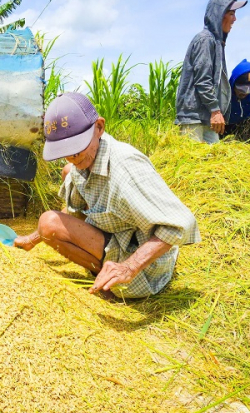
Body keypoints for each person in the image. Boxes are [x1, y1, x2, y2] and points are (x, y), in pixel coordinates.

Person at [14, 92, 200, 299]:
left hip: (146, 266)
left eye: (76, 147)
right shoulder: (80, 164)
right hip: (114, 236)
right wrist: (33, 238)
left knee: (48, 221)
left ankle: (111, 282)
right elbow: (76, 212)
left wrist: (129, 267)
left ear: (99, 128)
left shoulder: (127, 169)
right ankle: (101, 268)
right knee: (68, 173)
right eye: (64, 150)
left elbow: (181, 223)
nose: (72, 156)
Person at [175, 0, 247, 143]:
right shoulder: (205, 40)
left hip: (206, 117)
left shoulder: (216, 42)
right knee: (192, 162)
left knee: (213, 162)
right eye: (231, 14)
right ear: (219, 15)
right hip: (193, 118)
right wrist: (215, 110)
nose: (235, 19)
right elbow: (203, 80)